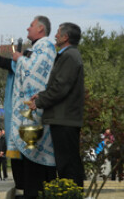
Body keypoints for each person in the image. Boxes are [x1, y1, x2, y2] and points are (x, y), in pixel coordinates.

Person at [0, 15, 57, 199]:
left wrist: (20, 59)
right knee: (28, 163)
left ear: (41, 29)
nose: (27, 29)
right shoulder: (35, 50)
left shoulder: (46, 48)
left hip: (38, 114)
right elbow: (12, 65)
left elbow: (33, 71)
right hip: (28, 115)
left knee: (38, 164)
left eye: (31, 25)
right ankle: (28, 191)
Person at [28, 22, 85, 187]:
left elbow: (61, 88)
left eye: (58, 33)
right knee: (67, 163)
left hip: (65, 119)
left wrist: (39, 102)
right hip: (63, 118)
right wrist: (42, 95)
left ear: (65, 37)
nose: (55, 36)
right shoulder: (70, 55)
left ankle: (72, 194)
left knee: (68, 165)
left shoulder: (69, 56)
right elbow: (60, 86)